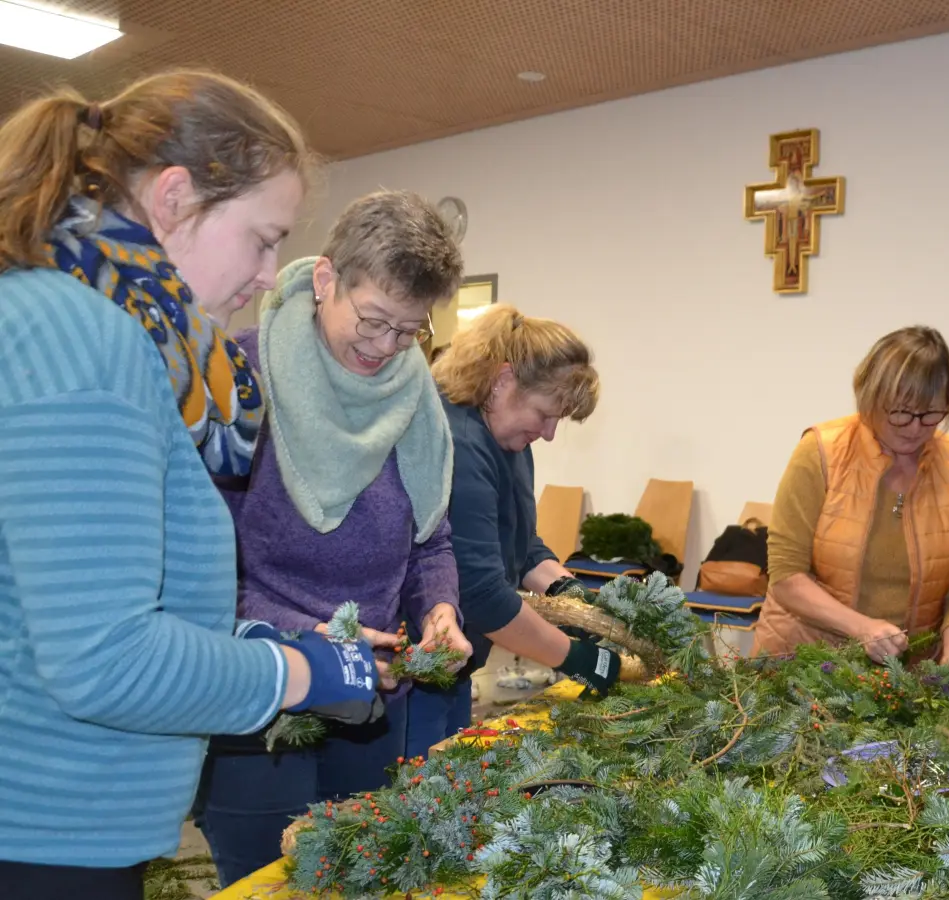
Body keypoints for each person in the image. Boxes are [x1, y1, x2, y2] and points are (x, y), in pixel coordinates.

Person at [0, 70, 378, 899]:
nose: (271, 272)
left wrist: (251, 647)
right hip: (43, 836)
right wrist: (306, 675)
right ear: (174, 197)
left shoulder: (68, 318)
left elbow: (45, 608)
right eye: (263, 238)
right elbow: (104, 662)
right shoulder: (88, 341)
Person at [195, 190, 473, 887]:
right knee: (266, 879)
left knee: (357, 875)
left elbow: (429, 542)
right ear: (326, 281)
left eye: (409, 333)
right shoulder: (238, 385)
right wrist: (312, 640)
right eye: (373, 320)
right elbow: (202, 574)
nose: (385, 350)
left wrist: (439, 609)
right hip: (260, 712)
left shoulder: (417, 403)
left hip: (374, 704)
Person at [409, 307, 614, 756]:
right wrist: (577, 657)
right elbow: (480, 593)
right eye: (545, 415)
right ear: (503, 381)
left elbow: (520, 545)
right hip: (416, 669)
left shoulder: (507, 436)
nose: (550, 433)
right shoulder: (459, 440)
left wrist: (570, 594)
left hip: (455, 668)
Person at [752, 325, 949, 665]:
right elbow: (786, 574)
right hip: (802, 663)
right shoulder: (820, 453)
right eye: (901, 412)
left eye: (932, 414)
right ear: (870, 398)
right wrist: (861, 628)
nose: (916, 427)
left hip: (906, 674)